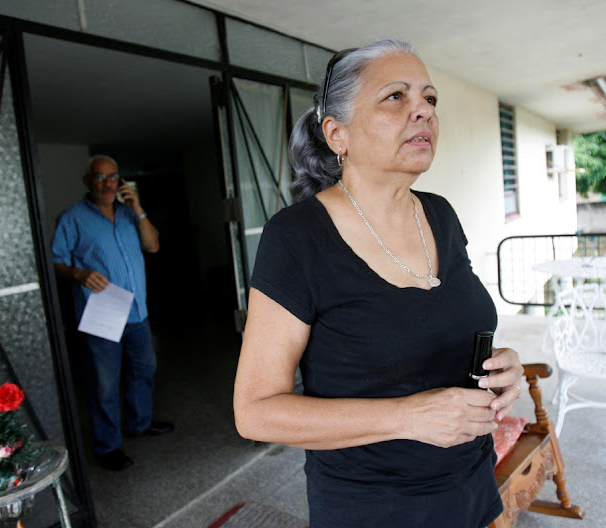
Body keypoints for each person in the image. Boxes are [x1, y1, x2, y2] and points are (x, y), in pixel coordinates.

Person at [233, 39, 524, 527]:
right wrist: (406, 417)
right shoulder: (297, 237)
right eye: (396, 97)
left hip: (469, 483)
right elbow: (255, 413)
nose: (423, 112)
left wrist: (504, 368)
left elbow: (450, 325)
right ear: (336, 133)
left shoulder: (440, 215)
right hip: (374, 507)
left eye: (430, 99)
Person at [52, 154, 173, 471]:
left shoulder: (130, 214)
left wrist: (139, 209)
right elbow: (56, 261)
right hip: (101, 315)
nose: (107, 184)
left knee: (144, 370)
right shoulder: (72, 218)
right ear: (87, 181)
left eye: (112, 177)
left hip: (137, 312)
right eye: (99, 177)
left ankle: (139, 423)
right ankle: (107, 446)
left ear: (120, 181)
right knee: (104, 383)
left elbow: (154, 246)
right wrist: (78, 275)